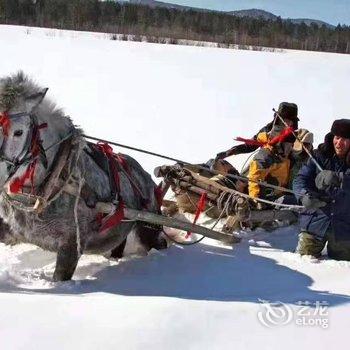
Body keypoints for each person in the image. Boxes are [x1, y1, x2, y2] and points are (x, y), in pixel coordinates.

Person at [293, 119, 350, 260]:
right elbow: (300, 179)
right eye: (337, 138)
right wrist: (303, 196)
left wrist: (339, 178)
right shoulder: (319, 155)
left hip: (344, 228)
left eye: (345, 139)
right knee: (303, 261)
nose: (339, 143)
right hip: (315, 221)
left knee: (341, 270)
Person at [215, 102, 299, 160]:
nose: (288, 122)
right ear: (278, 119)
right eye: (285, 119)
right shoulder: (266, 131)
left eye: (291, 120)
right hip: (265, 164)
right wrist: (232, 151)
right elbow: (251, 145)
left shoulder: (297, 136)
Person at [247, 123, 296, 203]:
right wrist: (256, 200)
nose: (291, 148)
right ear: (280, 144)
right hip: (269, 199)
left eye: (292, 145)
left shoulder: (287, 158)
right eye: (288, 145)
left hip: (283, 194)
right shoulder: (264, 157)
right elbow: (254, 179)